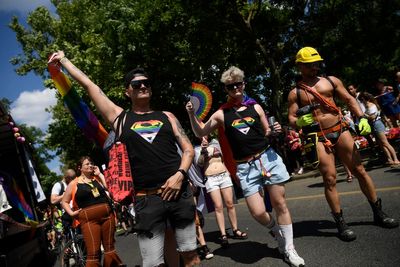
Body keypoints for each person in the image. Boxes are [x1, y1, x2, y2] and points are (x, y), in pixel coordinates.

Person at [49, 51, 199, 267]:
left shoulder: (168, 116)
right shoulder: (120, 118)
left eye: (146, 83)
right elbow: (91, 86)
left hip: (180, 193)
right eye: (136, 85)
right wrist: (63, 60)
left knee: (191, 257)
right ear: (127, 92)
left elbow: (188, 151)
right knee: (152, 263)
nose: (142, 86)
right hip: (147, 200)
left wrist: (179, 175)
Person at [186, 66, 305, 267]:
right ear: (226, 89)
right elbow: (200, 131)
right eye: (230, 86)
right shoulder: (221, 114)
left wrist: (273, 130)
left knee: (280, 204)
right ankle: (275, 230)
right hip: (245, 167)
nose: (235, 88)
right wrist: (191, 115)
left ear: (243, 84)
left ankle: (289, 249)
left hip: (267, 158)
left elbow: (266, 131)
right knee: (257, 212)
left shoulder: (256, 107)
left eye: (238, 84)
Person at [288, 47, 399, 242]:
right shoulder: (295, 92)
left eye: (316, 63)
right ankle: (340, 223)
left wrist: (362, 118)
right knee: (330, 178)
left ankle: (379, 213)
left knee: (359, 170)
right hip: (317, 137)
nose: (314, 67)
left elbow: (348, 99)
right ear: (299, 66)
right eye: (309, 64)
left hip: (340, 130)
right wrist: (298, 122)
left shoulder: (331, 81)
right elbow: (291, 116)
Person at [61, 156, 124, 267]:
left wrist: (99, 174)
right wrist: (71, 213)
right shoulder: (74, 183)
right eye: (87, 164)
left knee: (109, 248)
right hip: (89, 221)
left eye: (91, 163)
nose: (90, 165)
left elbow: (109, 188)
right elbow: (64, 202)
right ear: (80, 168)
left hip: (108, 216)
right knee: (93, 253)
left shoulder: (97, 179)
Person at [197, 136, 247, 247]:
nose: (203, 135)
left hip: (224, 176)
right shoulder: (197, 148)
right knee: (218, 207)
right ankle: (223, 234)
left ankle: (235, 229)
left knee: (230, 204)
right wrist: (203, 151)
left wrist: (229, 172)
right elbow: (200, 164)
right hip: (211, 179)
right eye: (200, 134)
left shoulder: (216, 143)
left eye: (205, 132)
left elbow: (224, 159)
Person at [358, 92, 400, 167]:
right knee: (381, 144)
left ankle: (396, 159)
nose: (361, 102)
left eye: (361, 100)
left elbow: (373, 117)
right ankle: (389, 159)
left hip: (377, 124)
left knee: (385, 142)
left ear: (364, 99)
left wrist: (364, 115)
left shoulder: (371, 105)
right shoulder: (367, 106)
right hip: (373, 124)